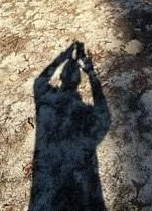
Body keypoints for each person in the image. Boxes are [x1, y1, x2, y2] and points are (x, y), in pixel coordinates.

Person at [28, 42, 111, 211]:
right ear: (78, 81)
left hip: (46, 193)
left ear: (62, 77)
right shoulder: (84, 112)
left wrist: (64, 55)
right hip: (85, 192)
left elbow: (39, 81)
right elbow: (104, 116)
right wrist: (91, 71)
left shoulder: (46, 99)